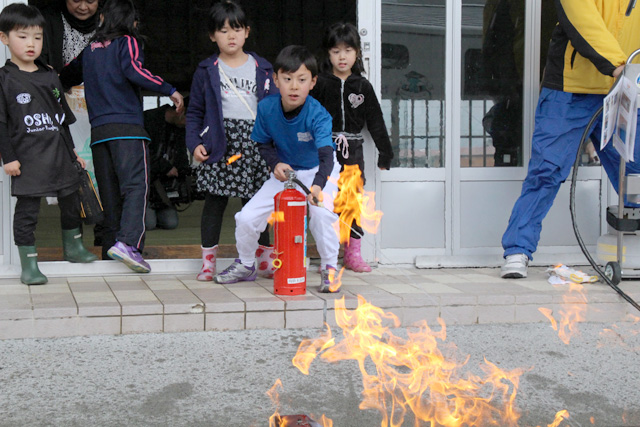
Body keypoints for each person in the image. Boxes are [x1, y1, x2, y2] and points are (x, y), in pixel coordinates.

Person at [500, 0, 640, 278]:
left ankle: (633, 249)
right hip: (571, 89)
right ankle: (518, 249)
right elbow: (582, 19)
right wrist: (619, 66)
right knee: (547, 168)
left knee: (635, 172)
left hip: (626, 89)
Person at [60, 0, 184, 273]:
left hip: (99, 134)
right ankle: (128, 244)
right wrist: (169, 89)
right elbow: (134, 70)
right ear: (131, 22)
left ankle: (110, 254)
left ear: (102, 18)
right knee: (136, 187)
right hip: (127, 130)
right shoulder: (127, 41)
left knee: (111, 197)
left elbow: (66, 75)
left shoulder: (90, 49)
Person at [213, 45, 341, 293]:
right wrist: (275, 164)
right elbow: (263, 143)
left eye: (302, 80)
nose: (294, 86)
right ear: (275, 80)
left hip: (319, 171)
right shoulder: (266, 108)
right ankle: (247, 265)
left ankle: (330, 269)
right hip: (287, 174)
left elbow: (326, 155)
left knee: (322, 215)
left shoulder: (319, 114)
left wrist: (317, 186)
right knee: (246, 217)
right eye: (287, 79)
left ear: (312, 82)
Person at [0, 3, 97, 285]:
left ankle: (74, 248)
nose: (31, 44)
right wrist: (9, 158)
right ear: (4, 38)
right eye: (22, 36)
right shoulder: (4, 79)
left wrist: (74, 153)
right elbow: (2, 124)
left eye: (38, 37)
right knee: (28, 211)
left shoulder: (50, 75)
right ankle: (28, 264)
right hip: (28, 158)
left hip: (59, 155)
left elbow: (61, 120)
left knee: (71, 201)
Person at [186, 0, 276, 282]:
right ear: (213, 36)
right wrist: (193, 144)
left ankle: (263, 259)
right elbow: (195, 112)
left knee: (257, 204)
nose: (231, 35)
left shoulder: (263, 68)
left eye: (236, 29)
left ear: (247, 32)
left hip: (256, 144)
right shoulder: (206, 69)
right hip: (220, 143)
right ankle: (208, 262)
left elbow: (274, 109)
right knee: (214, 202)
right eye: (223, 31)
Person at [311, 22, 393, 273]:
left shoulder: (362, 86)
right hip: (325, 149)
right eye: (336, 51)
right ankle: (328, 252)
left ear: (357, 53)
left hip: (353, 151)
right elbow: (309, 116)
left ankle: (353, 253)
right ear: (328, 54)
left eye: (348, 50)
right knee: (324, 201)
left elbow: (376, 121)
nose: (342, 56)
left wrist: (385, 151)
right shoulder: (321, 84)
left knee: (352, 200)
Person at [144, 101, 190, 231]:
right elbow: (143, 152)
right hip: (145, 181)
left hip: (164, 186)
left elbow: (181, 156)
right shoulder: (148, 119)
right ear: (180, 112)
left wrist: (183, 174)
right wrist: (165, 167)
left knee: (171, 223)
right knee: (149, 224)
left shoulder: (180, 128)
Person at [40, 0, 100, 73]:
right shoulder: (47, 21)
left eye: (90, 1)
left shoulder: (109, 23)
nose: (83, 7)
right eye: (76, 0)